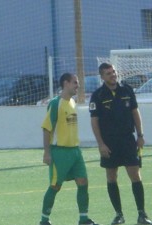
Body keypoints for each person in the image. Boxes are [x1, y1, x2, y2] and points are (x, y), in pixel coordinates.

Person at [89, 62, 152, 225]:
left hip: (127, 139)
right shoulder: (98, 95)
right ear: (102, 76)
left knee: (135, 175)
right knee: (111, 176)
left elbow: (135, 112)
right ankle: (119, 214)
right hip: (109, 142)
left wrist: (140, 135)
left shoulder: (127, 90)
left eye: (114, 72)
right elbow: (94, 121)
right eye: (108, 73)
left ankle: (141, 214)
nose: (113, 75)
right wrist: (100, 144)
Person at [39, 73, 99, 225]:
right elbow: (47, 129)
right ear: (65, 83)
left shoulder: (72, 102)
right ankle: (44, 221)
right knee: (55, 186)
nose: (77, 86)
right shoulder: (55, 103)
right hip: (60, 152)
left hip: (75, 151)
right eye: (75, 82)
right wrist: (47, 153)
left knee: (83, 182)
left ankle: (83, 219)